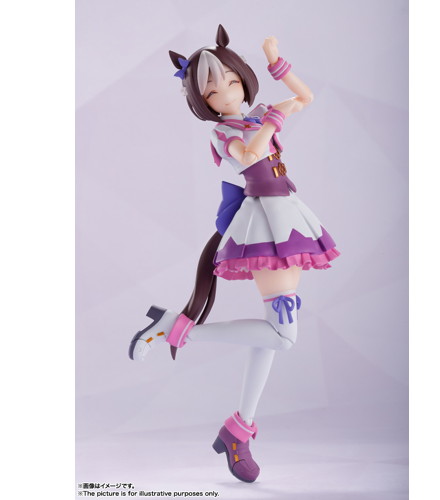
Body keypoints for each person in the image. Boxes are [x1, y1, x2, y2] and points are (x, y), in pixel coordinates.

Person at [129, 24, 340, 483]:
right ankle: (173, 328)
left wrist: (276, 62)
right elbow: (248, 157)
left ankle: (239, 430)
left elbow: (304, 97)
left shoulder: (259, 113)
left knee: (272, 334)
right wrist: (272, 121)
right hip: (265, 224)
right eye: (213, 90)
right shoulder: (223, 132)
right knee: (282, 336)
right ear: (202, 102)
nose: (226, 93)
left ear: (242, 77)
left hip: (287, 216)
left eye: (230, 80)